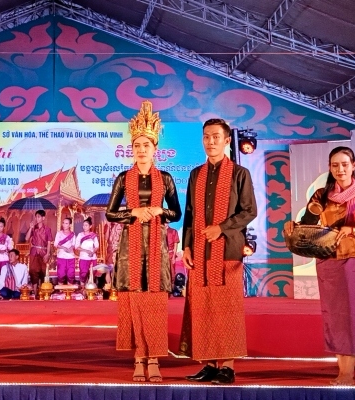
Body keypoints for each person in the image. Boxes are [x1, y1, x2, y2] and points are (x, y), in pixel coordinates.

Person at [285, 146, 355, 385]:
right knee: (335, 316)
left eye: (345, 164)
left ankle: (348, 372)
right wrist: (292, 226)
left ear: (354, 165)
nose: (340, 169)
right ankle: (342, 368)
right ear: (329, 168)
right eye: (335, 165)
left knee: (353, 315)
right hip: (326, 258)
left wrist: (353, 229)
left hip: (353, 259)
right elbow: (308, 222)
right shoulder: (321, 195)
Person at [105, 101, 182, 383]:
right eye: (136, 145)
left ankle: (154, 359)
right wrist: (133, 212)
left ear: (155, 149)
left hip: (157, 246)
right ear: (132, 148)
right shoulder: (124, 179)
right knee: (134, 301)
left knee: (155, 303)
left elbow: (177, 212)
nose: (141, 150)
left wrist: (161, 210)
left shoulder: (167, 178)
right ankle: (138, 357)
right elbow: (111, 213)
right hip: (131, 248)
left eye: (146, 145)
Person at [180, 118, 258, 385]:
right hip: (200, 252)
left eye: (216, 137)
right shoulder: (195, 174)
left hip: (228, 251)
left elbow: (249, 211)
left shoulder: (239, 174)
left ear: (226, 141)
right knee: (203, 308)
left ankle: (228, 366)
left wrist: (222, 228)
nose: (210, 142)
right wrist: (186, 246)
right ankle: (210, 364)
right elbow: (189, 214)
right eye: (206, 137)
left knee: (227, 309)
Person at [26, 210, 51, 289]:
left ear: (43, 218)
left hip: (43, 252)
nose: (37, 218)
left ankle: (42, 291)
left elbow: (49, 242)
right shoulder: (33, 228)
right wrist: (30, 228)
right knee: (33, 271)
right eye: (36, 217)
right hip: (34, 251)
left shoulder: (47, 229)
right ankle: (35, 292)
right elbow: (26, 238)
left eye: (39, 217)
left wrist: (47, 254)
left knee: (42, 271)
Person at [55, 217, 78, 285]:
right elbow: (56, 244)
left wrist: (71, 248)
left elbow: (74, 244)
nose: (64, 225)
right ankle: (61, 292)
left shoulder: (73, 234)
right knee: (61, 274)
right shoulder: (59, 233)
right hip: (61, 257)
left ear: (70, 225)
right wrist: (63, 248)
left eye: (66, 223)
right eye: (63, 223)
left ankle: (69, 292)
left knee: (70, 275)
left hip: (70, 257)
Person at [77, 218, 100, 284]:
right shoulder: (80, 235)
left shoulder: (93, 235)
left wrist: (92, 252)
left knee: (93, 273)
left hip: (92, 257)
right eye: (83, 225)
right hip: (84, 257)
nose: (84, 227)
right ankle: (83, 288)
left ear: (90, 226)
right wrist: (86, 251)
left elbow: (96, 246)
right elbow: (77, 246)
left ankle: (91, 288)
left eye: (86, 225)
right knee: (83, 274)